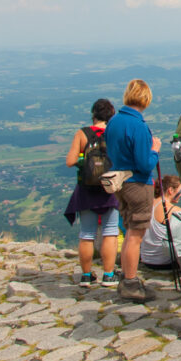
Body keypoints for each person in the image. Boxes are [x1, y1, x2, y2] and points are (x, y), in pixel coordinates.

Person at [105, 79, 161, 303]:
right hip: (138, 183)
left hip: (119, 181)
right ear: (146, 98)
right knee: (135, 235)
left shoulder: (115, 121)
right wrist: (155, 150)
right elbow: (144, 163)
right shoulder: (137, 125)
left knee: (129, 230)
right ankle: (130, 282)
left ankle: (128, 279)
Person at [62, 98, 120, 287]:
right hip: (110, 189)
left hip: (86, 189)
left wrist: (83, 159)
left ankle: (86, 276)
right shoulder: (114, 133)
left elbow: (70, 161)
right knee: (110, 232)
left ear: (93, 114)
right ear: (111, 115)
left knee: (87, 233)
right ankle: (109, 275)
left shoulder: (82, 133)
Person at [140, 175, 181, 276]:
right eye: (180, 192)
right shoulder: (173, 210)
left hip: (147, 259)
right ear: (170, 190)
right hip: (165, 262)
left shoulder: (148, 204)